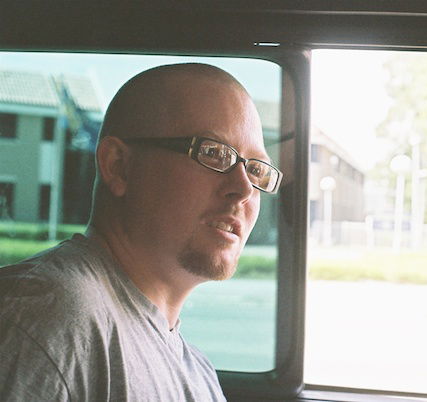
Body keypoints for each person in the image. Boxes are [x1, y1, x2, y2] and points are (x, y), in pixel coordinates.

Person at [0, 63, 282, 401]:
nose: (244, 188)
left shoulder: (198, 370)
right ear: (118, 165)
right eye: (213, 153)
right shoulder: (47, 318)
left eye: (255, 169)